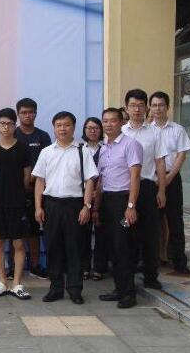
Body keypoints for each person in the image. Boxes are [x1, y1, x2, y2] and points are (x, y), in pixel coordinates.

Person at [33, 112, 97, 305]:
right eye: (59, 125)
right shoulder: (46, 152)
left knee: (74, 247)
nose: (63, 129)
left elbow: (90, 180)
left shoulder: (83, 151)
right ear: (54, 127)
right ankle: (56, 288)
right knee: (53, 247)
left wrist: (86, 206)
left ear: (73, 127)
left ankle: (75, 289)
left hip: (74, 205)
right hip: (51, 205)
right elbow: (39, 181)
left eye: (67, 125)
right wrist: (38, 207)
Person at [95, 108, 143, 309]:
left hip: (123, 202)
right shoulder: (104, 148)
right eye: (105, 121)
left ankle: (129, 293)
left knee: (123, 246)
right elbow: (100, 181)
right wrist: (96, 208)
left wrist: (131, 206)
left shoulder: (131, 144)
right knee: (112, 247)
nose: (108, 124)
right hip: (107, 203)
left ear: (121, 122)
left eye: (113, 121)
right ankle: (119, 289)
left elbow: (135, 176)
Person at [122, 89, 167, 290]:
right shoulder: (121, 132)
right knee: (125, 232)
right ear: (126, 108)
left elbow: (160, 163)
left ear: (146, 108)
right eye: (133, 105)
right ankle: (125, 278)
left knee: (150, 234)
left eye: (141, 105)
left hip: (148, 188)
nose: (137, 109)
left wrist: (162, 190)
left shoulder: (155, 132)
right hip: (125, 189)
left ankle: (150, 276)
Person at [0, 108, 32, 300]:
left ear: (15, 125)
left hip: (18, 203)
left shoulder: (23, 148)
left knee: (19, 243)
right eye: (2, 124)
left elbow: (27, 178)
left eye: (10, 124)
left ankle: (17, 283)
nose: (6, 127)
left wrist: (18, 193)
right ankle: (2, 282)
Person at [150, 91, 190, 275]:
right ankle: (150, 261)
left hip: (172, 179)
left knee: (175, 221)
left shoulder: (177, 129)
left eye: (161, 105)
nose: (157, 108)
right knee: (151, 222)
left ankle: (179, 261)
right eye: (154, 105)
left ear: (167, 107)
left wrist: (168, 178)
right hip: (151, 180)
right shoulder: (146, 130)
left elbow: (181, 155)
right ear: (150, 108)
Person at [14, 98, 50, 281]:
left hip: (38, 191)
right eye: (24, 112)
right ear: (18, 114)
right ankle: (15, 267)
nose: (27, 115)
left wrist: (33, 177)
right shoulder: (12, 134)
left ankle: (35, 266)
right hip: (16, 191)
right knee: (15, 232)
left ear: (35, 113)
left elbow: (48, 162)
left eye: (31, 112)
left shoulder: (43, 136)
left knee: (35, 231)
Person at [81, 117, 108, 281]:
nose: (92, 131)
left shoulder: (106, 148)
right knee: (83, 234)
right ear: (84, 130)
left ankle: (99, 267)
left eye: (96, 128)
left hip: (102, 196)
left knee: (101, 233)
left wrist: (97, 192)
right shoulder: (79, 149)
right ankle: (84, 267)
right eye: (89, 128)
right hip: (82, 197)